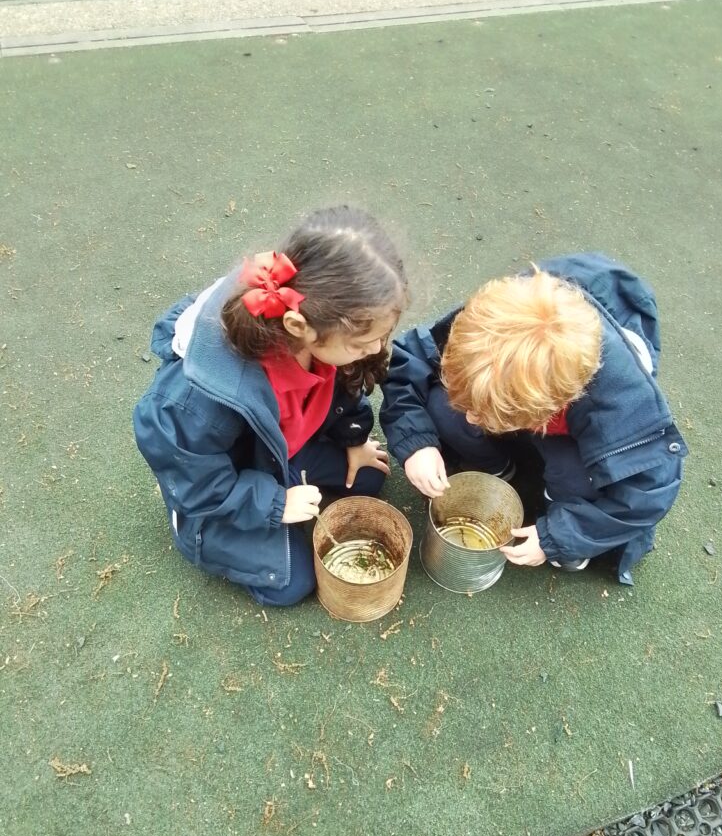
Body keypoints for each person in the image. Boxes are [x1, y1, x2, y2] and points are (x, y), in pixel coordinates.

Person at [133, 206, 407, 606]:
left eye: (383, 336)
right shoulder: (200, 397)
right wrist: (277, 503)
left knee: (367, 480)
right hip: (219, 488)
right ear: (300, 328)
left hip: (283, 448)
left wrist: (353, 439)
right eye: (362, 343)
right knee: (292, 583)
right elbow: (196, 480)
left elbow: (345, 387)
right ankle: (191, 531)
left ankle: (286, 476)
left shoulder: (331, 332)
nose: (377, 349)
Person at [380, 253, 687, 585]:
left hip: (578, 434)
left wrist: (556, 537)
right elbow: (406, 360)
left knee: (572, 475)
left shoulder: (621, 406)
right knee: (445, 408)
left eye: (486, 413)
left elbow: (648, 495)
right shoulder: (487, 333)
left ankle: (564, 512)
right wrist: (416, 445)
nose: (471, 416)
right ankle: (500, 470)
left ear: (549, 409)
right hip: (536, 405)